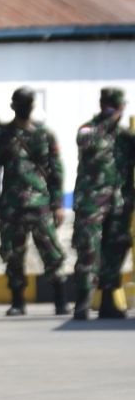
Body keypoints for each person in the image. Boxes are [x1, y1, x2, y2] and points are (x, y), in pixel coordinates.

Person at [0, 86, 70, 316]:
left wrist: (58, 204)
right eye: (21, 102)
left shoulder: (44, 135)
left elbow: (56, 171)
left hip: (41, 204)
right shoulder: (3, 136)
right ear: (13, 105)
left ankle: (61, 300)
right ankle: (17, 301)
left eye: (28, 102)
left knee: (51, 252)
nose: (24, 106)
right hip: (11, 206)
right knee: (13, 254)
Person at [71, 87, 133, 320]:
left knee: (115, 250)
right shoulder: (89, 129)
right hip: (91, 203)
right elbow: (87, 141)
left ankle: (108, 302)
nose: (118, 111)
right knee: (88, 251)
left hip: (119, 204)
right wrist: (109, 121)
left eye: (119, 107)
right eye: (115, 106)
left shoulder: (126, 137)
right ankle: (82, 303)